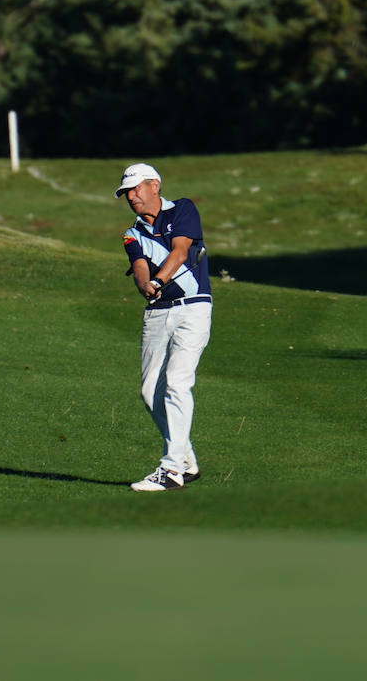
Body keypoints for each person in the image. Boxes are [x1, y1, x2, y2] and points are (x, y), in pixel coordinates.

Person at [115, 163, 212, 492]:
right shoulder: (132, 233)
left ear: (154, 185)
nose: (132, 196)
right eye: (127, 192)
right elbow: (139, 267)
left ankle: (171, 470)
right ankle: (185, 458)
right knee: (148, 391)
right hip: (157, 312)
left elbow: (181, 251)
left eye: (136, 188)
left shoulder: (183, 209)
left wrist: (159, 279)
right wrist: (146, 286)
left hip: (193, 308)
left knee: (177, 382)